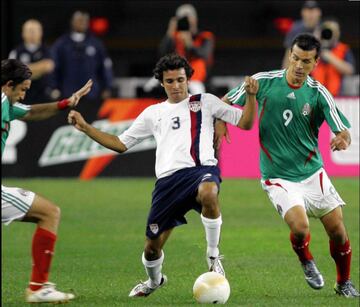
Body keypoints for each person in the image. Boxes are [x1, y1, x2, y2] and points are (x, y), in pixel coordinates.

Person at [67, 53, 257, 297]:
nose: (176, 85)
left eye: (180, 79)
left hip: (201, 170)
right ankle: (154, 281)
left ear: (188, 79)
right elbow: (120, 143)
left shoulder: (207, 102)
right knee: (151, 248)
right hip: (168, 183)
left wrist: (251, 97)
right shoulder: (152, 113)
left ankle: (212, 255)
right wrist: (85, 128)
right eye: (170, 81)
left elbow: (246, 123)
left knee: (209, 192)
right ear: (162, 83)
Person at [223, 34, 359, 298]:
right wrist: (219, 122)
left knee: (338, 232)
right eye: (295, 58)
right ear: (289, 55)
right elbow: (226, 102)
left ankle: (343, 283)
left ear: (316, 63)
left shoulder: (319, 94)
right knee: (300, 227)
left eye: (306, 61)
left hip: (312, 173)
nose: (298, 65)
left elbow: (343, 132)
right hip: (278, 175)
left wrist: (341, 138)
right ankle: (306, 259)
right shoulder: (263, 81)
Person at [1, 59, 92, 303]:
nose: (23, 94)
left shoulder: (7, 105)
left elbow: (31, 112)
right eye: (23, 89)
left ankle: (38, 287)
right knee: (49, 213)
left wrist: (66, 102)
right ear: (9, 85)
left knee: (48, 212)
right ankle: (38, 287)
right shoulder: (1, 103)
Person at [50, 10, 112, 114]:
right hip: (68, 94)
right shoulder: (61, 44)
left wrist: (107, 87)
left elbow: (105, 67)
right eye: (79, 20)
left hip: (92, 95)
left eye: (84, 20)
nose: (82, 23)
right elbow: (54, 67)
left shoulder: (96, 44)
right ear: (72, 22)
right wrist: (53, 87)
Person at [158, 4, 215, 94]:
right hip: (176, 78)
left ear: (195, 19)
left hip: (198, 80)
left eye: (189, 18)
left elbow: (204, 55)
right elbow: (162, 53)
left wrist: (189, 44)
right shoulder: (175, 37)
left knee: (196, 89)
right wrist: (170, 32)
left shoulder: (205, 36)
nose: (187, 21)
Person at [8, 19, 55, 103]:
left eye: (35, 31)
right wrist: (40, 69)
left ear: (41, 32)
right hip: (22, 98)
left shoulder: (48, 50)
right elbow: (13, 73)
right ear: (23, 33)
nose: (32, 33)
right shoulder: (16, 52)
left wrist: (24, 70)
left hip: (43, 97)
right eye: (29, 31)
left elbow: (48, 66)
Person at [311, 18, 355, 97]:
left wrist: (330, 57)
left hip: (337, 97)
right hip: (315, 97)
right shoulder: (313, 48)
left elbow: (350, 70)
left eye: (334, 30)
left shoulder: (343, 49)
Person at [282, 1, 321, 69]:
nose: (310, 14)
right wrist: (284, 74)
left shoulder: (325, 28)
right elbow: (288, 54)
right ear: (303, 12)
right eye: (308, 11)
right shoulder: (295, 29)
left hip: (321, 70)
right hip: (300, 68)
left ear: (319, 12)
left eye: (313, 11)